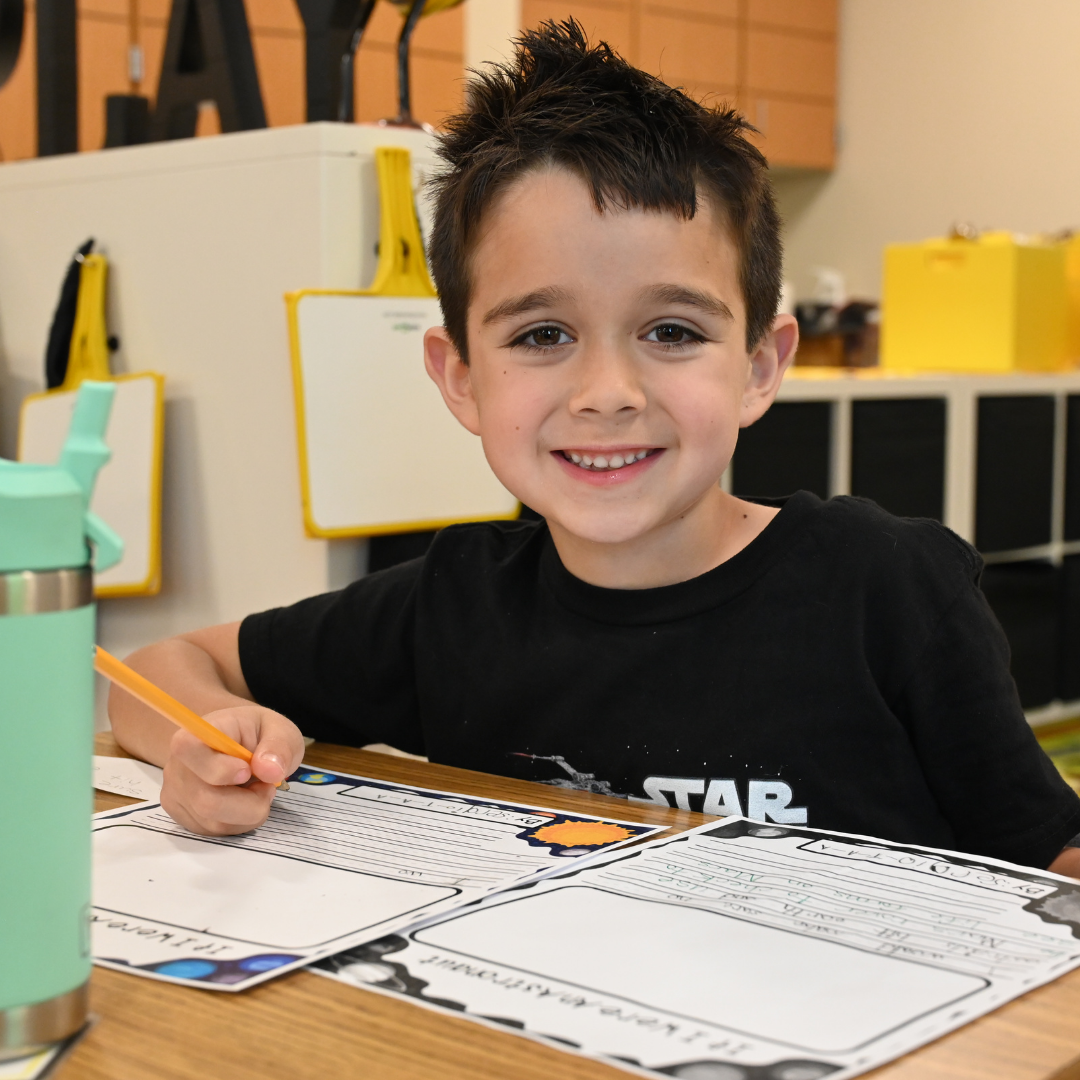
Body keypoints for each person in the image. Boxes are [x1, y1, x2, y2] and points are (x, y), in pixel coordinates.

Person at [110, 20, 1080, 876]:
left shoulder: (889, 589)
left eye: (671, 332)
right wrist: (203, 745)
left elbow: (1050, 858)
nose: (608, 394)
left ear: (757, 367)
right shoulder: (451, 606)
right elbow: (155, 670)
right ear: (459, 378)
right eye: (541, 336)